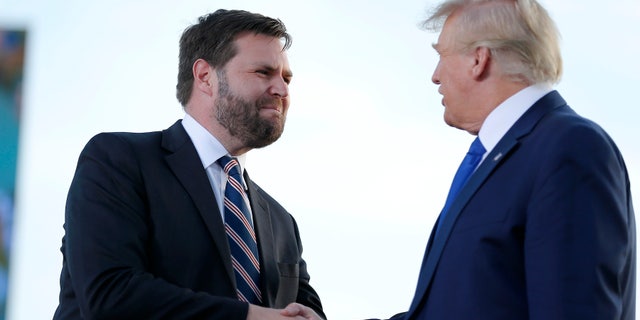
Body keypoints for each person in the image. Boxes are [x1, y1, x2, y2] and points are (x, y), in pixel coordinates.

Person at [53, 9, 325, 320]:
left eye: (287, 78)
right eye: (263, 72)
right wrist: (251, 317)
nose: (282, 90)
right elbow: (110, 295)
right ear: (205, 77)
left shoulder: (281, 223)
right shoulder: (119, 161)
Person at [372, 0, 636, 319]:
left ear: (478, 60)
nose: (435, 76)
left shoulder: (569, 147)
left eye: (441, 56)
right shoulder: (497, 157)